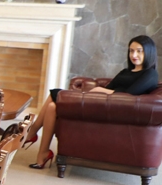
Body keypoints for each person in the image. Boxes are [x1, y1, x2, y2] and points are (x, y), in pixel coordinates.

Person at [27, 35, 159, 169]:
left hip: (111, 110)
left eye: (139, 51)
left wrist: (102, 91)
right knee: (52, 106)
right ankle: (42, 153)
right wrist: (102, 91)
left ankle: (32, 133)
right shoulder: (125, 71)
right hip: (100, 103)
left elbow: (129, 95)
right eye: (131, 51)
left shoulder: (150, 74)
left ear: (149, 52)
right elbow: (110, 87)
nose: (134, 55)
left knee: (56, 94)